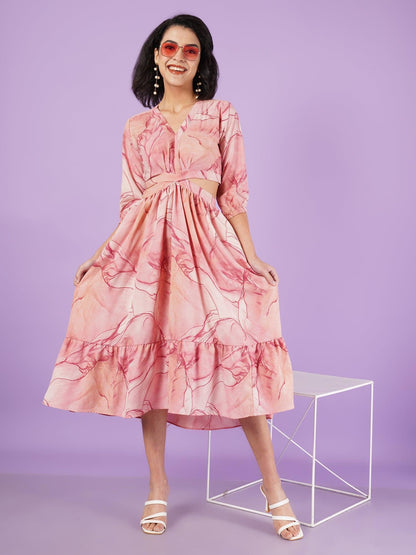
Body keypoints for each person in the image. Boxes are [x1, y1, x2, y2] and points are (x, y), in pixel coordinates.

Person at [41, 13, 303, 541]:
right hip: (148, 251)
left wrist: (251, 256)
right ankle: (157, 486)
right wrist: (100, 253)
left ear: (201, 61)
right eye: (169, 47)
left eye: (190, 50)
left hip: (210, 246)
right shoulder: (136, 127)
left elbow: (234, 193)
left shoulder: (221, 114)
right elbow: (131, 201)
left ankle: (274, 489)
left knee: (236, 351)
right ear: (155, 56)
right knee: (155, 358)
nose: (179, 57)